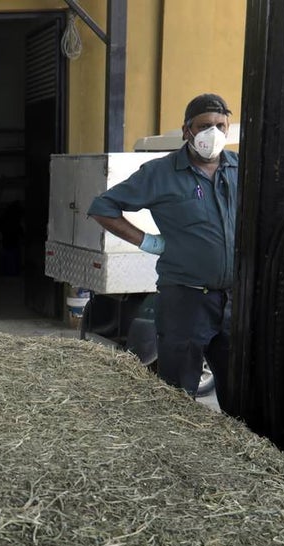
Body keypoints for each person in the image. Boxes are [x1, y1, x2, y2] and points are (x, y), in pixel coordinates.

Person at [88, 93, 238, 410]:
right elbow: (103, 207)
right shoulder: (161, 173)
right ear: (186, 131)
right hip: (186, 299)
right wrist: (147, 241)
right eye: (204, 126)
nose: (213, 133)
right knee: (178, 394)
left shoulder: (241, 170)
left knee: (241, 391)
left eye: (220, 125)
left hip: (234, 300)